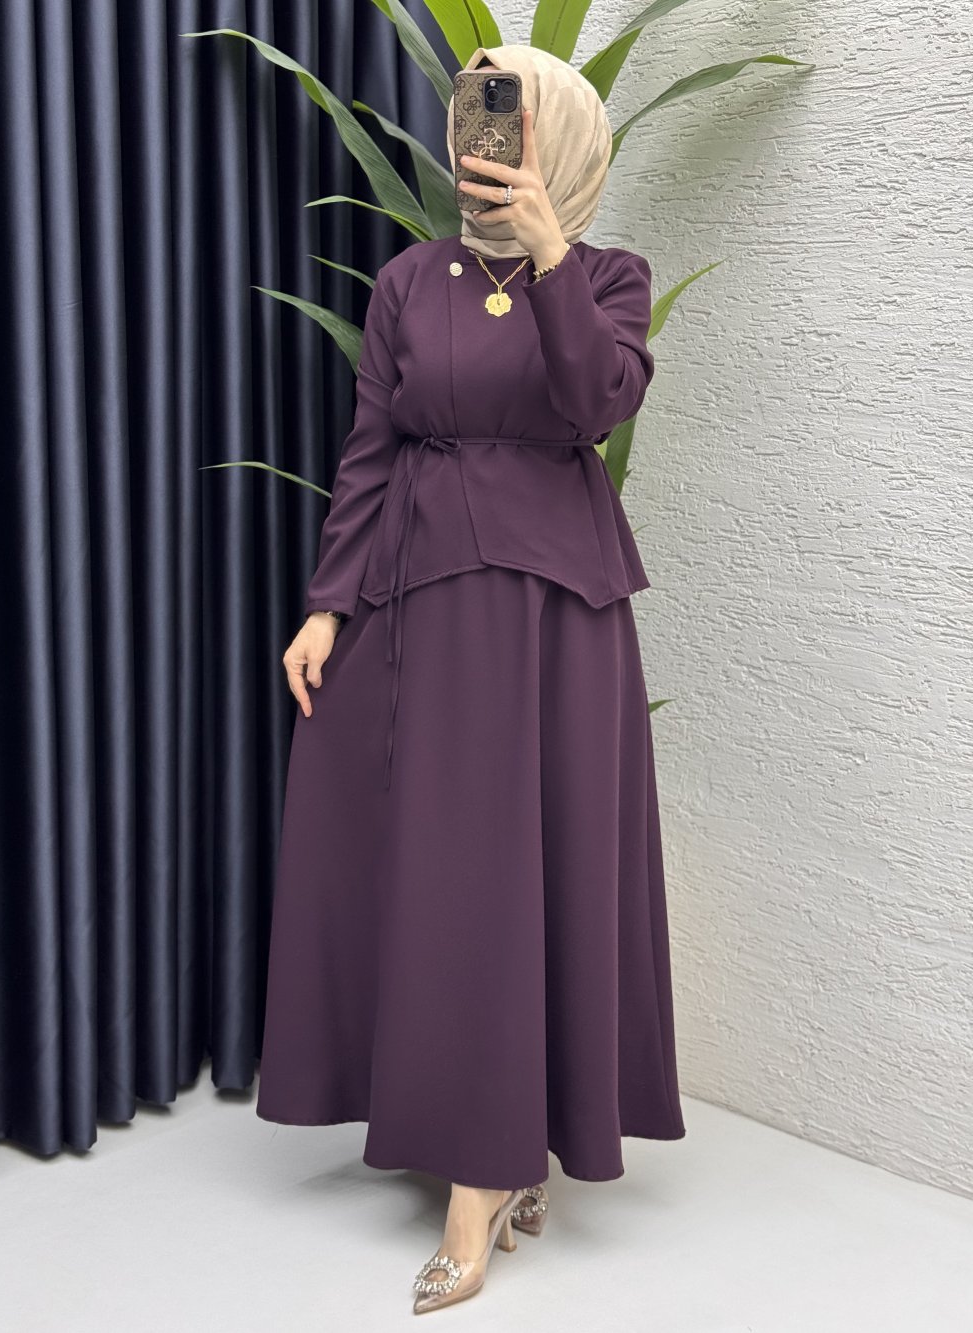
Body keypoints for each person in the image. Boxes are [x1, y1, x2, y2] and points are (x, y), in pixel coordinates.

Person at [255, 42, 686, 1315]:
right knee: (441, 872)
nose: (473, 141)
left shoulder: (607, 278)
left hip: (553, 620)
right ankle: (481, 1134)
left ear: (559, 142)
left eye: (504, 118)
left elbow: (593, 406)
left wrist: (548, 252)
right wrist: (327, 603)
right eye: (466, 115)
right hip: (419, 598)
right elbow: (372, 448)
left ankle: (488, 1173)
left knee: (525, 870)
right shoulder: (408, 281)